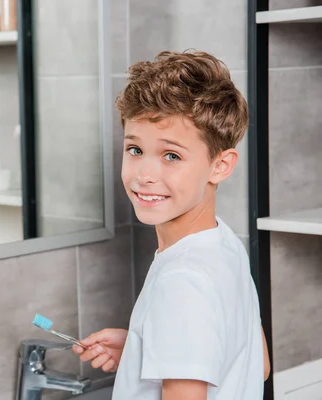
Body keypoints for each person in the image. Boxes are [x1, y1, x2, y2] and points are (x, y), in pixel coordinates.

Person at [73, 51, 271, 399]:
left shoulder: (182, 281)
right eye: (135, 150)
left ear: (220, 166)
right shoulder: (224, 244)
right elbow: (259, 363)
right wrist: (145, 348)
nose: (145, 175)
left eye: (171, 156)